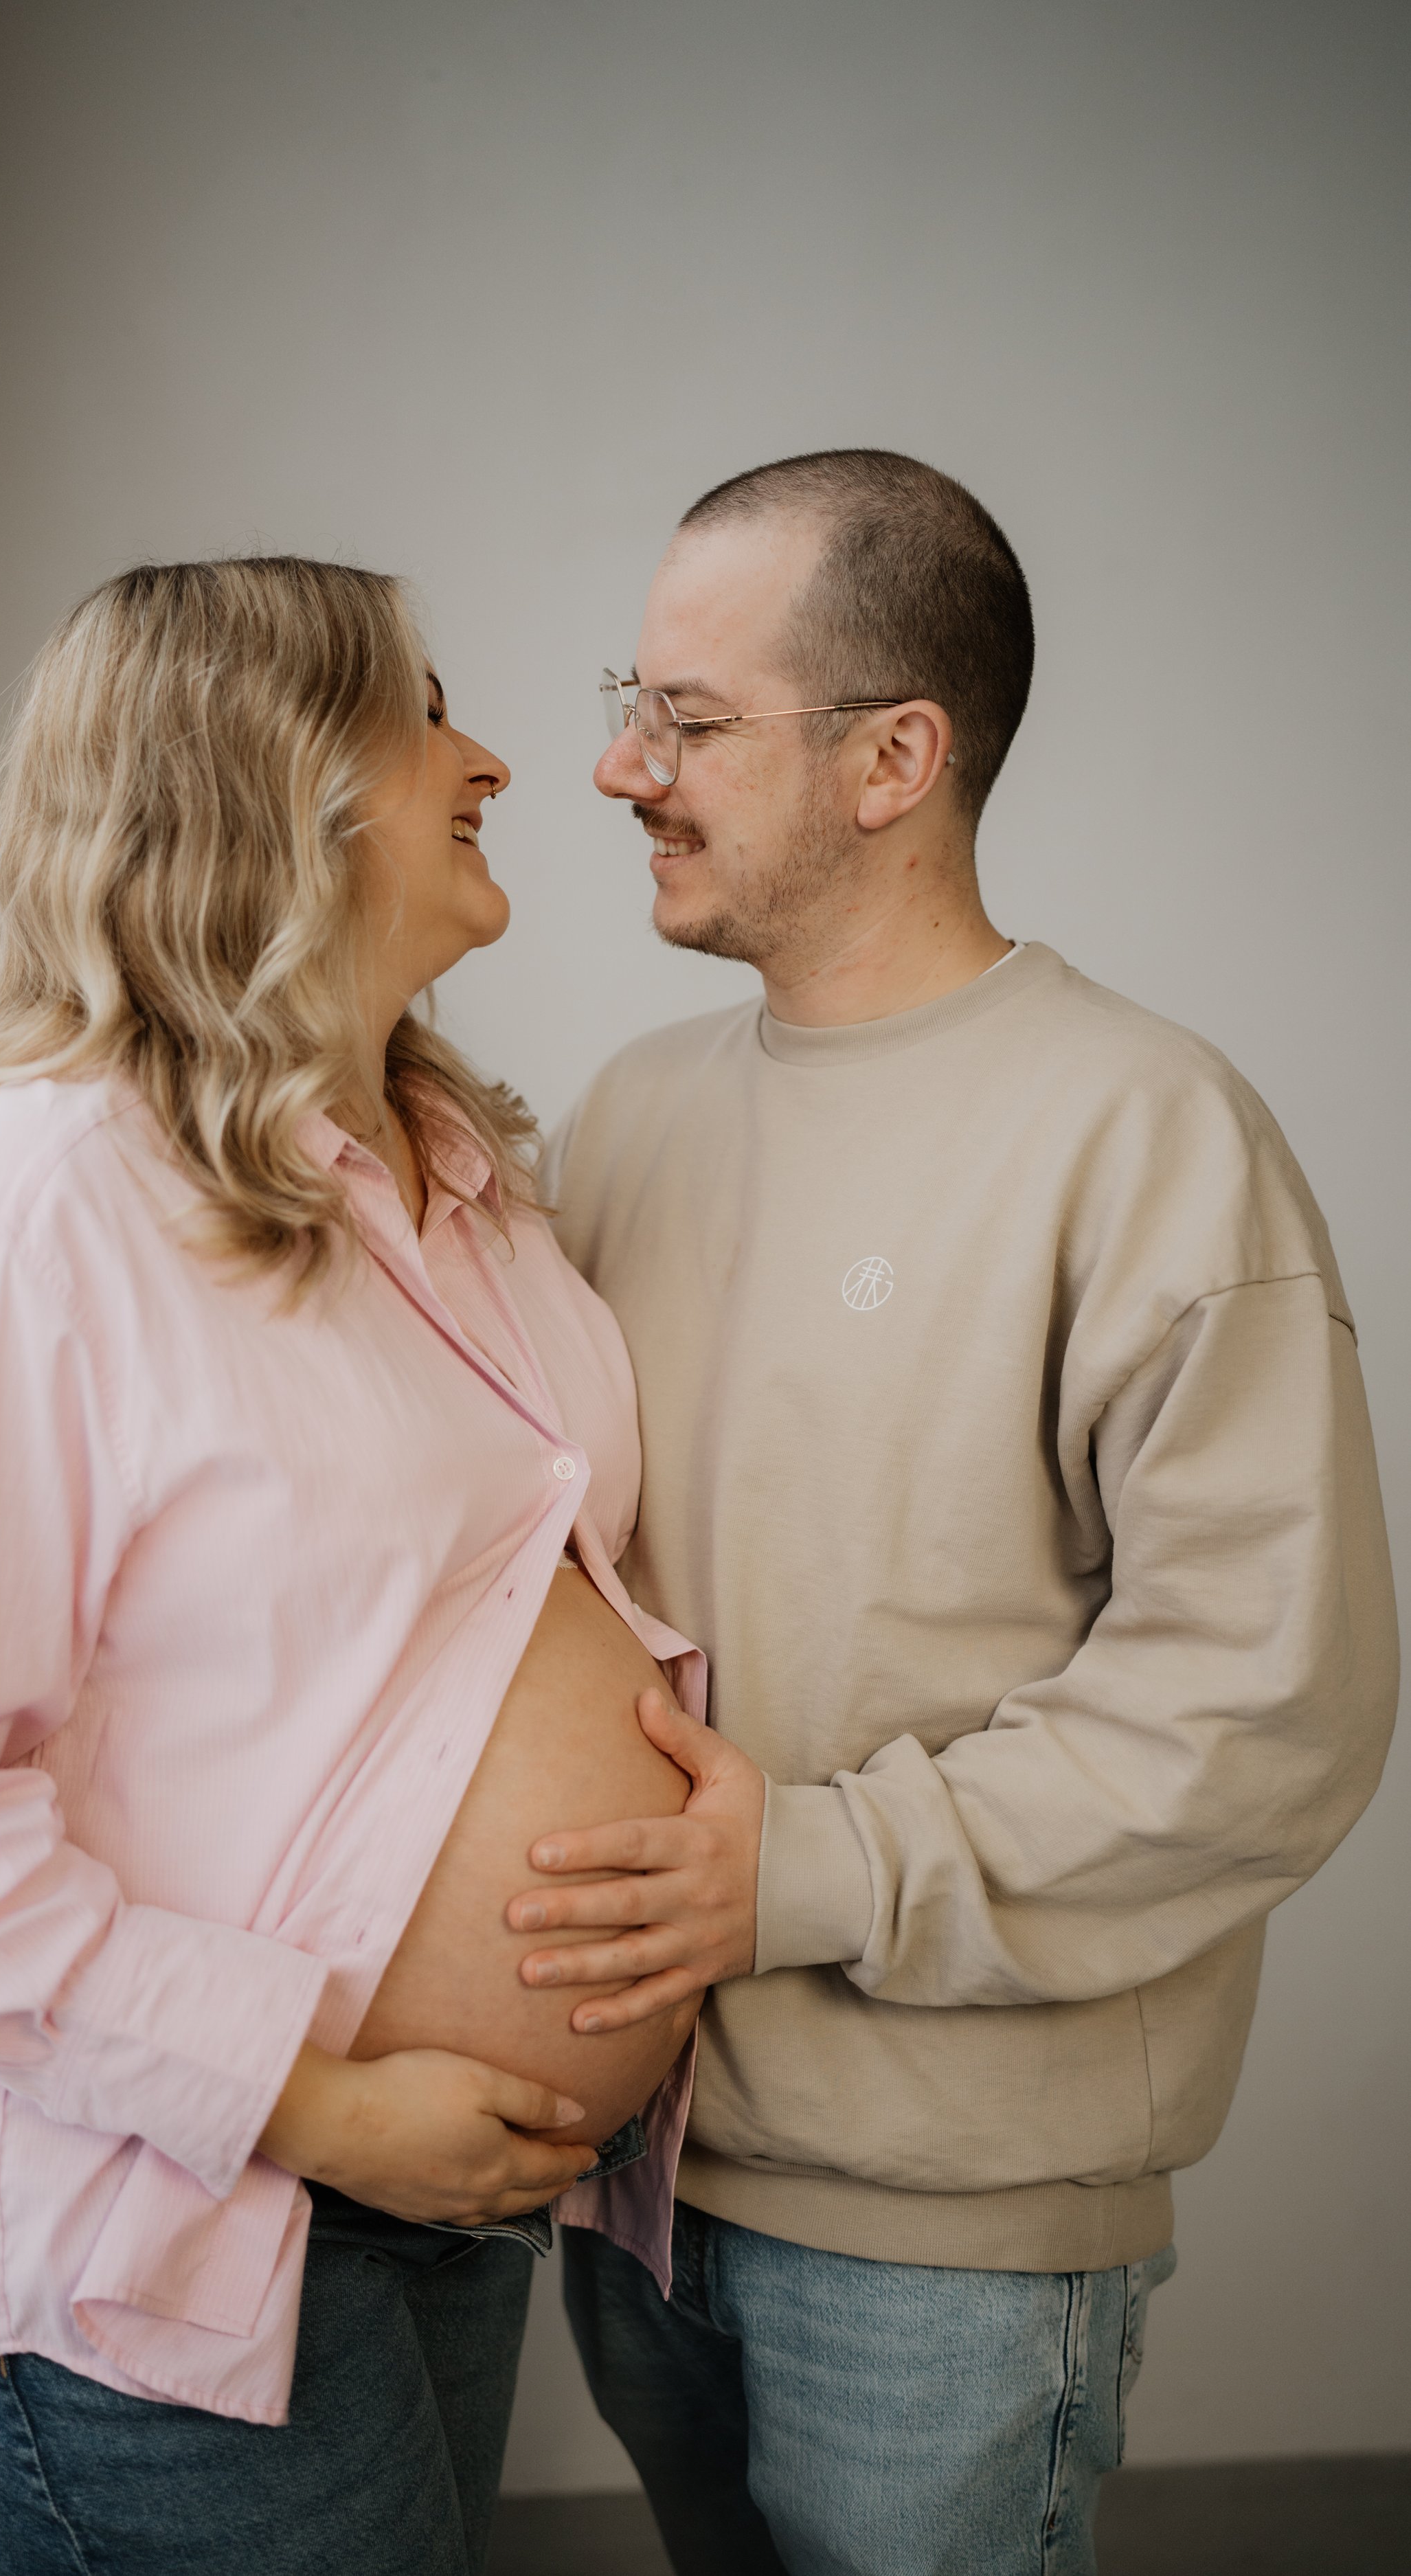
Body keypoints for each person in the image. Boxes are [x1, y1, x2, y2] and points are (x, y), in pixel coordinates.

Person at [0, 556, 707, 2576]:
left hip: (427, 2203)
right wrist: (327, 2107)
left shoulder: (464, 1188)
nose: (496, 758)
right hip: (158, 2214)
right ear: (280, 778)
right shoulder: (32, 1209)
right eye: (426, 709)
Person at [508, 450, 1399, 2576]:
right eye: (627, 699)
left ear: (896, 755)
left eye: (690, 721)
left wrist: (797, 1871)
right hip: (640, 2186)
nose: (618, 763)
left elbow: (1255, 1719)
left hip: (952, 2247)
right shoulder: (628, 1117)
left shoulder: (1147, 1131)